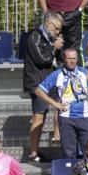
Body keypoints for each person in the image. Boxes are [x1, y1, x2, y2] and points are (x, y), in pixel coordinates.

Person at [35, 47, 88, 158]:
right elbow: (39, 91)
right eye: (69, 58)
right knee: (69, 153)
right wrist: (55, 104)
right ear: (64, 59)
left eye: (74, 58)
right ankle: (71, 174)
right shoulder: (57, 74)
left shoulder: (84, 72)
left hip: (84, 116)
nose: (72, 61)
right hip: (66, 117)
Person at [24, 12, 63, 162]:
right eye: (57, 28)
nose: (58, 32)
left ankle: (53, 139)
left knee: (53, 110)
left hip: (47, 81)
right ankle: (33, 153)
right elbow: (42, 59)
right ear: (48, 24)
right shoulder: (35, 36)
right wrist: (54, 47)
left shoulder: (48, 37)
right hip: (37, 82)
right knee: (38, 117)